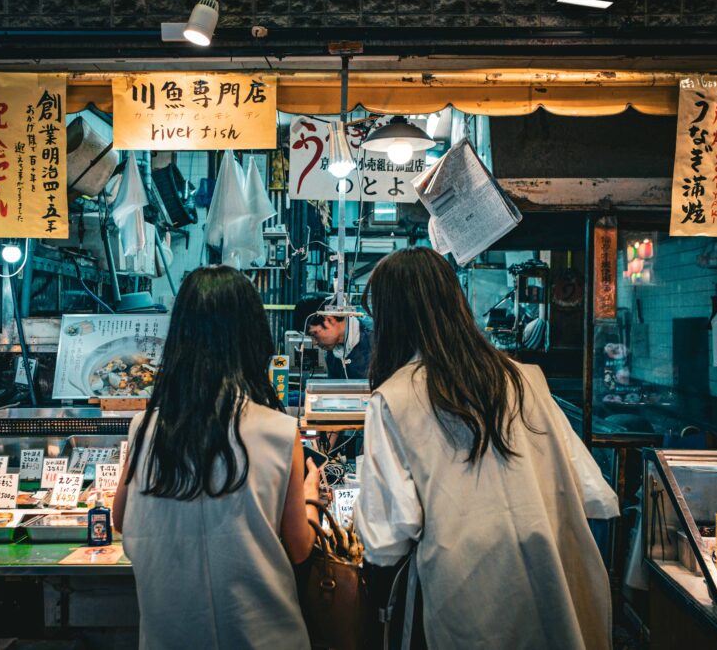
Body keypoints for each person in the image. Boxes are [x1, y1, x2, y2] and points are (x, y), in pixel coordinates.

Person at [354, 247, 619, 650]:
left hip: (464, 601)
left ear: (391, 318)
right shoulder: (526, 379)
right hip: (553, 586)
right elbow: (598, 496)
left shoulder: (393, 400)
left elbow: (386, 540)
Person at [113, 266, 322, 650]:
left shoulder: (145, 427)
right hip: (262, 635)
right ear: (253, 337)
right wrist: (311, 496)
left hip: (169, 636)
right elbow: (300, 546)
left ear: (180, 337)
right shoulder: (278, 430)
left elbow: (120, 520)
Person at [293, 293, 373, 379]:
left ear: (329, 319)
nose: (314, 342)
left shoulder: (375, 340)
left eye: (314, 334)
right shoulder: (332, 355)